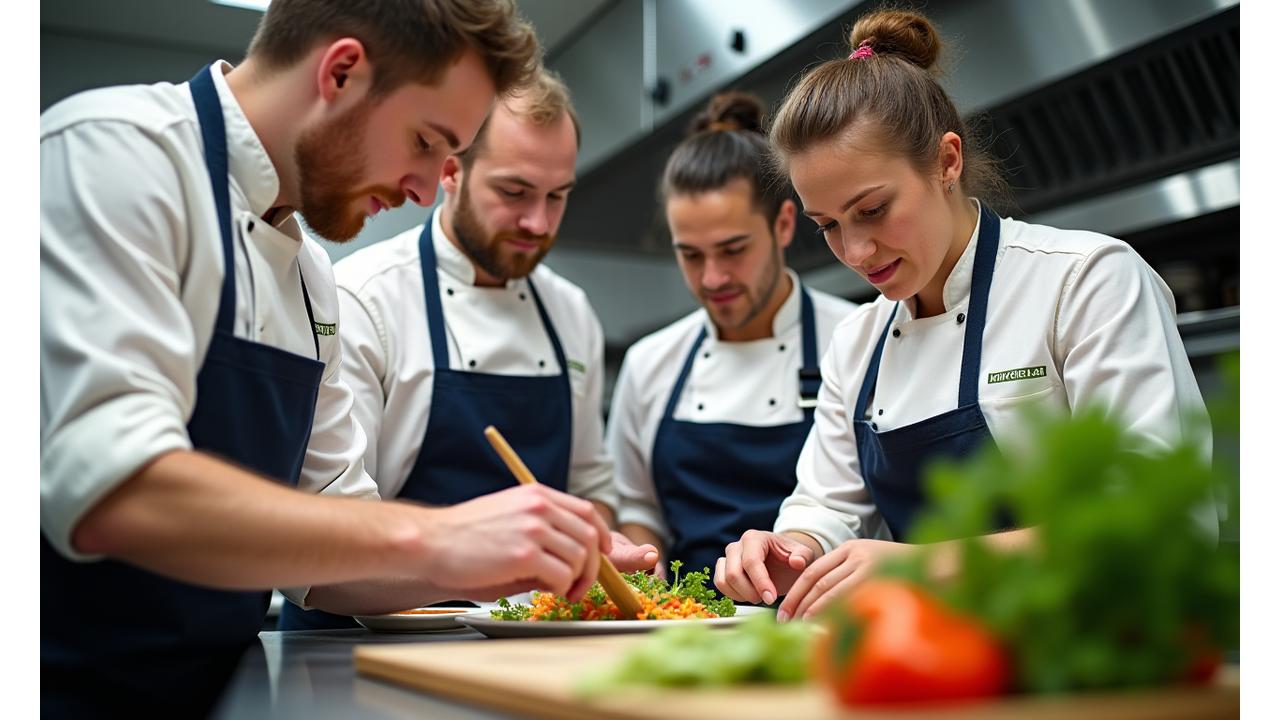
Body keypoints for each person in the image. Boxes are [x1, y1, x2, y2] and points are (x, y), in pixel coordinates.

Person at [41, 2, 612, 715]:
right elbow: (115, 492)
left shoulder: (310, 272)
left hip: (225, 692)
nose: (428, 189)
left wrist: (517, 559)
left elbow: (330, 572)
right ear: (340, 72)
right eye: (425, 141)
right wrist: (438, 534)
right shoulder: (116, 155)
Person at [714, 9, 1211, 623]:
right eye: (829, 227)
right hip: (938, 666)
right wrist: (793, 550)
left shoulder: (1086, 281)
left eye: (872, 209)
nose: (856, 252)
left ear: (946, 161)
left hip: (1101, 662)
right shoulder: (858, 340)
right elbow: (828, 505)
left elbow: (1159, 522)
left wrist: (919, 564)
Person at [281, 67, 657, 630]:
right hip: (367, 636)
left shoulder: (570, 312)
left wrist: (594, 541)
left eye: (558, 197)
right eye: (514, 192)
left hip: (528, 632)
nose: (538, 222)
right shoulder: (364, 295)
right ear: (451, 170)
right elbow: (337, 510)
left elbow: (588, 484)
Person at [608, 92, 857, 580]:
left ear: (784, 224)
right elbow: (638, 507)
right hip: (685, 626)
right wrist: (647, 575)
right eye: (691, 255)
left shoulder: (852, 341)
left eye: (733, 249)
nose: (713, 278)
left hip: (819, 624)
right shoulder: (650, 362)